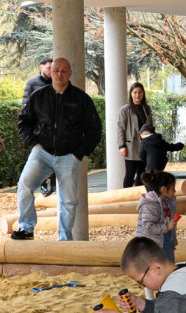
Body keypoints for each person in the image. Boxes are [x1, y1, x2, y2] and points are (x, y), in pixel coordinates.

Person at [11, 57, 103, 242]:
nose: (59, 74)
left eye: (64, 71)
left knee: (69, 201)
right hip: (42, 152)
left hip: (69, 156)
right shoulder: (38, 96)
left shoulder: (81, 99)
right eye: (56, 70)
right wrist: (34, 143)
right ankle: (26, 229)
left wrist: (79, 153)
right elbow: (24, 123)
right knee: (24, 185)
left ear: (70, 73)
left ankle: (65, 240)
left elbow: (94, 130)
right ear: (50, 72)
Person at [22, 56, 57, 196]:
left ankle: (53, 186)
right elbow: (25, 106)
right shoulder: (32, 83)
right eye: (49, 68)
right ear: (41, 67)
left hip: (54, 128)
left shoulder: (56, 83)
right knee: (40, 159)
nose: (51, 71)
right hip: (38, 129)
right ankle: (42, 186)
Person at [116, 82, 157, 190]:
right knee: (129, 174)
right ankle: (126, 197)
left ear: (143, 93)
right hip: (131, 147)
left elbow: (150, 127)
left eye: (140, 92)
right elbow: (120, 128)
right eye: (135, 92)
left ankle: (139, 197)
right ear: (131, 94)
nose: (137, 95)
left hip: (145, 146)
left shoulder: (147, 109)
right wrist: (121, 146)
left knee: (142, 175)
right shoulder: (125, 109)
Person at [136, 170, 180, 257]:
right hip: (151, 246)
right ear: (164, 189)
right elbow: (148, 227)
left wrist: (171, 242)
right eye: (172, 188)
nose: (175, 191)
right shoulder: (150, 204)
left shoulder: (167, 202)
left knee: (168, 263)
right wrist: (167, 226)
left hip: (164, 240)